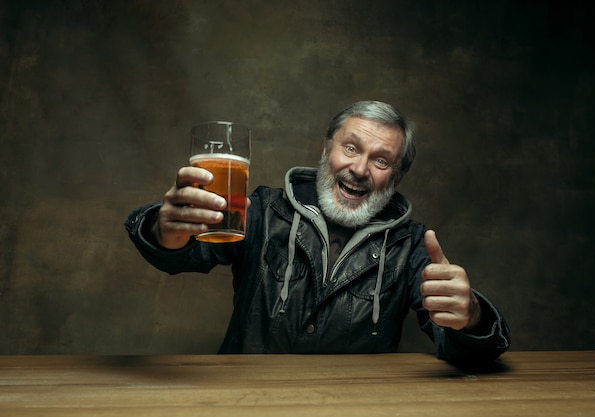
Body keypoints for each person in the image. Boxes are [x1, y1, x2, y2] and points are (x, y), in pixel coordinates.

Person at [125, 100, 510, 364]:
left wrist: (471, 317)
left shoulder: (411, 245)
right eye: (350, 148)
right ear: (326, 150)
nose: (359, 170)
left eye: (380, 160)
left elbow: (456, 344)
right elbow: (186, 253)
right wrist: (165, 230)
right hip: (245, 400)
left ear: (397, 176)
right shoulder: (263, 210)